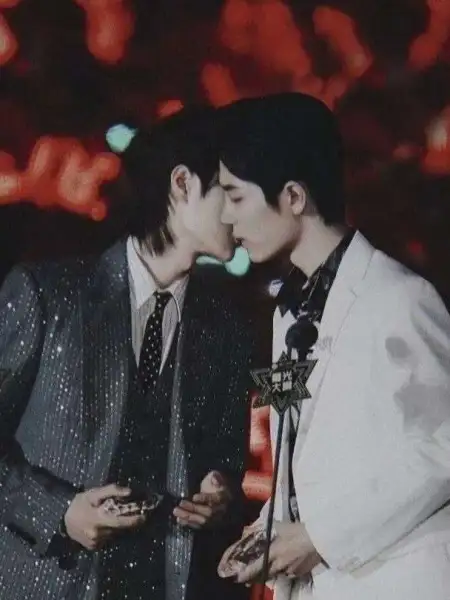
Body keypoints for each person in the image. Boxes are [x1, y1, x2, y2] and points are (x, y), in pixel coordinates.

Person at [0, 106, 253, 600]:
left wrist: (222, 496)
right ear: (183, 185)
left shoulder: (226, 329)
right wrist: (59, 512)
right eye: (233, 192)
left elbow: (229, 465)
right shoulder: (48, 296)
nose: (245, 212)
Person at [216, 92, 450, 600]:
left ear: (294, 197)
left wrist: (320, 537)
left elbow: (444, 447)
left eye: (235, 198)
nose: (227, 220)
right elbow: (300, 456)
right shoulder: (287, 313)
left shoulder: (399, 299)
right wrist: (270, 528)